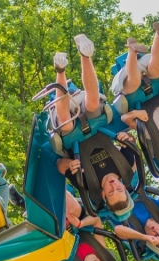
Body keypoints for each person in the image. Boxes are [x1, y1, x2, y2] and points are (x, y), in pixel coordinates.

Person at [51, 36, 137, 221]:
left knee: (65, 122)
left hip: (72, 135)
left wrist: (69, 165)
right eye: (120, 189)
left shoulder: (87, 185)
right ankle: (85, 54)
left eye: (112, 192)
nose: (114, 186)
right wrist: (126, 138)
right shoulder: (127, 168)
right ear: (124, 186)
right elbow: (130, 141)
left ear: (104, 195)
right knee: (92, 103)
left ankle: (60, 70)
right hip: (96, 125)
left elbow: (59, 166)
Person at [113, 180, 159, 250]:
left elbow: (118, 230)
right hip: (131, 183)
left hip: (110, 196)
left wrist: (145, 237)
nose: (157, 232)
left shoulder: (135, 234)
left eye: (156, 236)